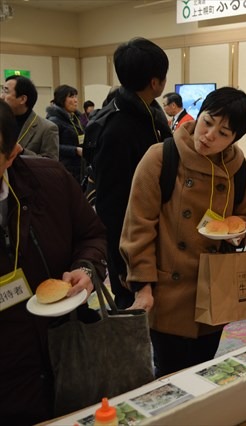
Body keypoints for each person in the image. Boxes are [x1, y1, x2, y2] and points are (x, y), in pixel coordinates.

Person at [120, 87, 246, 377]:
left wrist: (239, 229)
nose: (209, 135)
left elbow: (244, 216)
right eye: (208, 122)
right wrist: (142, 287)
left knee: (203, 370)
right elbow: (138, 226)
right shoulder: (161, 157)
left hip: (214, 291)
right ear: (199, 115)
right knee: (170, 375)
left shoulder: (239, 169)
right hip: (169, 293)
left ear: (235, 139)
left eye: (224, 133)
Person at [0, 99, 107, 425]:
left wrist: (86, 270)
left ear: (12, 153)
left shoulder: (49, 181)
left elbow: (92, 236)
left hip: (63, 345)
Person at [93, 37, 172, 309]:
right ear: (155, 82)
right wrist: (125, 262)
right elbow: (111, 204)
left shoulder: (149, 114)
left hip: (152, 229)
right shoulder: (119, 127)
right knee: (135, 312)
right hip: (129, 240)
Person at [0, 75, 59, 160]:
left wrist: (22, 151)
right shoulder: (2, 121)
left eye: (6, 91)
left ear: (22, 99)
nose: (1, 96)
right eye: (2, 91)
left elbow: (52, 163)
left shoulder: (47, 128)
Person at [46, 85, 85, 183]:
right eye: (71, 97)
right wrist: (75, 150)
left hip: (79, 166)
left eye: (76, 96)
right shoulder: (54, 120)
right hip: (65, 167)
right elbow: (51, 147)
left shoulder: (77, 117)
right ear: (61, 99)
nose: (75, 100)